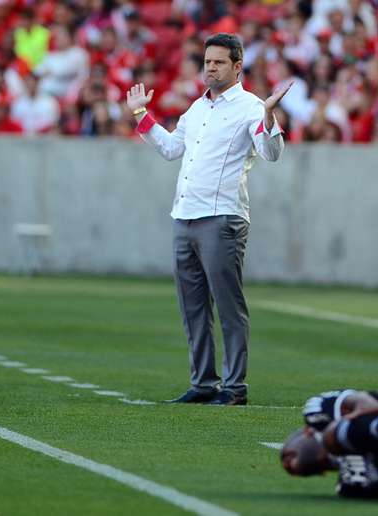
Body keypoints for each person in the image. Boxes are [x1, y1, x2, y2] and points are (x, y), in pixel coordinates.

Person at [126, 33, 291, 406]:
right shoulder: (197, 109)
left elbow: (271, 152)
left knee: (228, 304)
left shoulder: (251, 107)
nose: (210, 68)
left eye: (218, 62)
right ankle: (203, 383)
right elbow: (171, 149)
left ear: (237, 66)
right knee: (192, 306)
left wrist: (268, 115)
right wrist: (140, 114)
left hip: (222, 217)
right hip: (184, 215)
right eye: (207, 62)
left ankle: (235, 387)